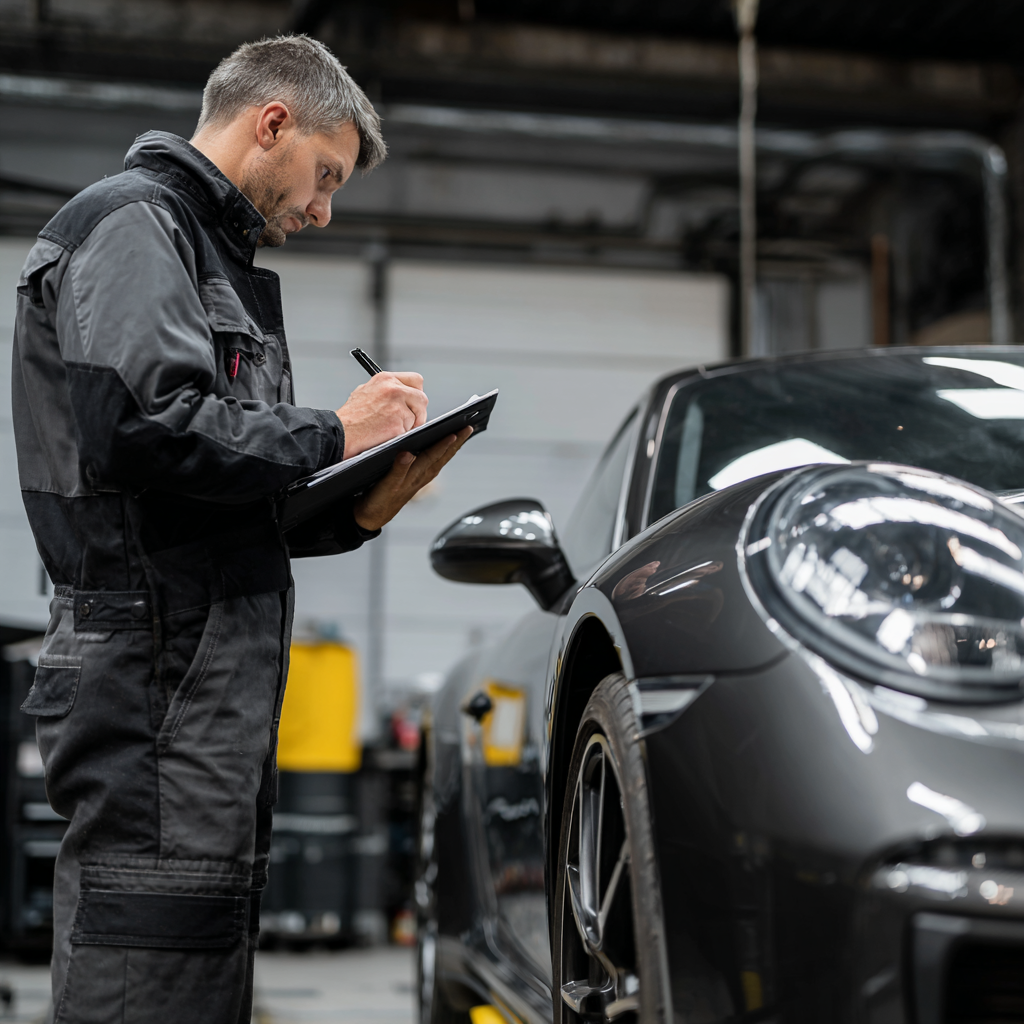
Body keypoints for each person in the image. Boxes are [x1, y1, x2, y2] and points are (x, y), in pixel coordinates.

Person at [10, 34, 470, 1023]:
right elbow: (144, 428)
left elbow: (205, 494)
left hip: (200, 666)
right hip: (155, 667)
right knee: (152, 952)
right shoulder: (135, 225)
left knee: (196, 948)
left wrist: (357, 506)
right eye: (325, 174)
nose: (323, 208)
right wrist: (335, 429)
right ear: (271, 123)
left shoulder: (202, 252)